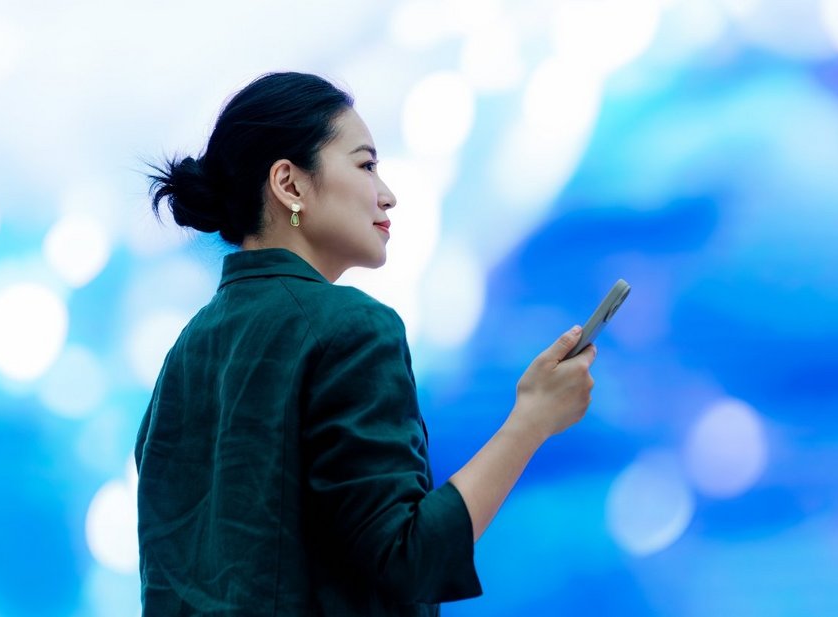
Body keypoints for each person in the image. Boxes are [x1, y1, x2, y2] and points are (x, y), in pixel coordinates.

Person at [134, 71, 597, 616]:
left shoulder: (183, 357)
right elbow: (408, 559)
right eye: (366, 164)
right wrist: (533, 420)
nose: (388, 195)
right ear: (289, 184)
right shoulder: (351, 327)